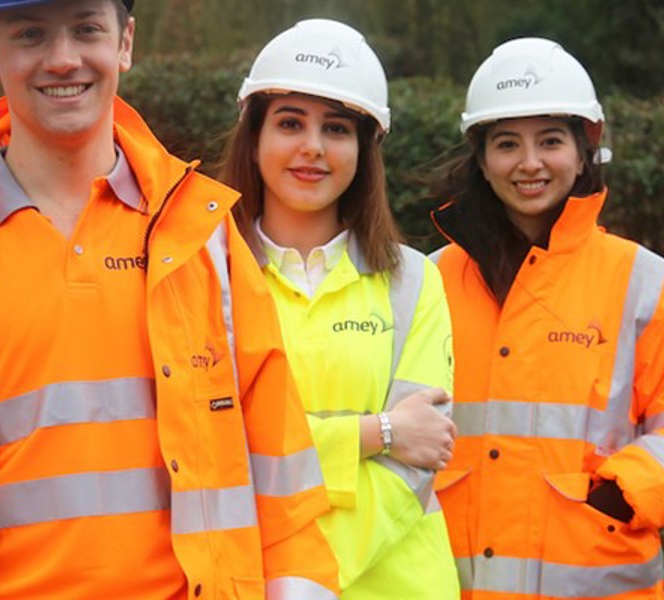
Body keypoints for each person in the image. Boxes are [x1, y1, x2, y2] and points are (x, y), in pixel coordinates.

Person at [0, 1, 339, 597]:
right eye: (30, 34)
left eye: (86, 29)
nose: (63, 58)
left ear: (124, 42)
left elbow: (285, 489)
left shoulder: (204, 236)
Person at [429, 37, 664, 599]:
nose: (530, 163)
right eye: (507, 143)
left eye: (550, 140)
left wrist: (621, 491)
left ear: (585, 150)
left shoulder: (652, 287)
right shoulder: (427, 282)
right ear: (481, 160)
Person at [219, 18, 460, 599]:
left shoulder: (414, 282)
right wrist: (375, 432)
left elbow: (415, 462)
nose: (313, 147)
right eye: (290, 123)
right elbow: (220, 450)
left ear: (364, 149)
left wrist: (306, 581)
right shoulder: (208, 276)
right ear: (253, 136)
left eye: (336, 128)